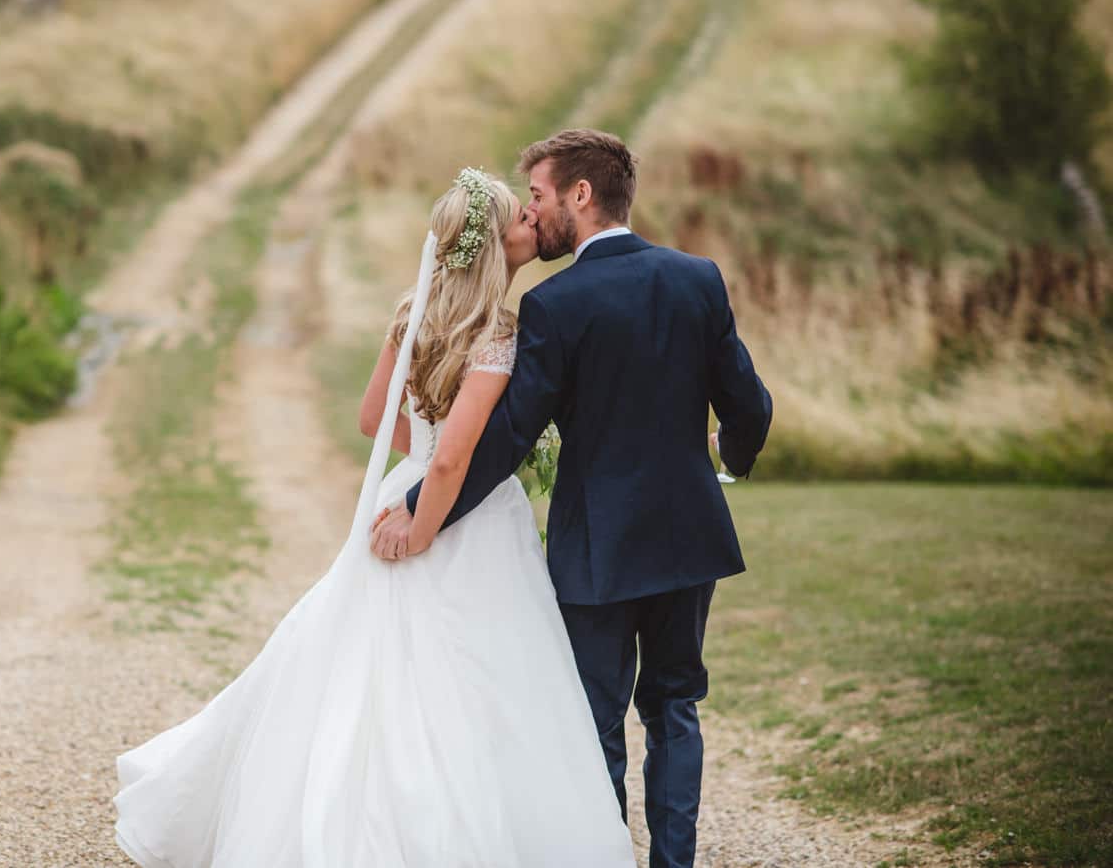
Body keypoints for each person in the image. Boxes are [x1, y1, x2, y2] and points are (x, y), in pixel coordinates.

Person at [113, 166, 635, 867]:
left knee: (373, 664)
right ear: (489, 245)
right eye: (519, 217)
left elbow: (373, 416)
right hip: (455, 518)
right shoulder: (496, 333)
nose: (530, 225)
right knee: (476, 677)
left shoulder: (409, 309)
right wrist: (423, 519)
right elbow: (454, 464)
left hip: (407, 485)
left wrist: (419, 457)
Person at [371, 128, 773, 868]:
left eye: (540, 196)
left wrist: (425, 503)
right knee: (676, 708)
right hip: (690, 539)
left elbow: (507, 436)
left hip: (598, 552)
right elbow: (750, 404)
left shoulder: (557, 304)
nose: (535, 212)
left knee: (596, 722)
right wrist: (729, 458)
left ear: (580, 195)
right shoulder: (699, 278)